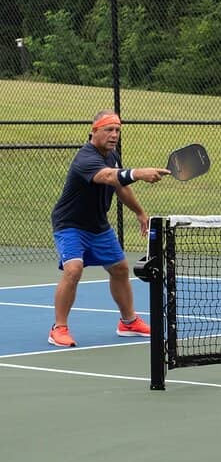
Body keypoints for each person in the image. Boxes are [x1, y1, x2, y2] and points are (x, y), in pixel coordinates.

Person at [48, 111, 171, 347]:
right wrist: (138, 173)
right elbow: (106, 176)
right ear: (94, 131)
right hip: (70, 223)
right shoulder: (86, 158)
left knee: (120, 268)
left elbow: (119, 184)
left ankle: (128, 322)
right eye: (108, 130)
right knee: (74, 269)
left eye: (117, 130)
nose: (114, 135)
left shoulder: (111, 155)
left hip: (98, 225)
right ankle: (59, 328)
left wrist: (139, 211)